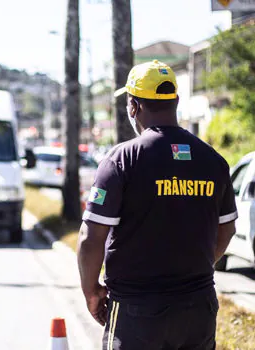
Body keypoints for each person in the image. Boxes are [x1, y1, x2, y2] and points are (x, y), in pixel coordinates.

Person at [77, 60, 238, 349]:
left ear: (133, 106)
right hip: (198, 309)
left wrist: (91, 291)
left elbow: (91, 237)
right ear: (175, 101)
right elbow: (226, 229)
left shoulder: (122, 160)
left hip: (137, 310)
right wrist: (194, 267)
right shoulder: (213, 161)